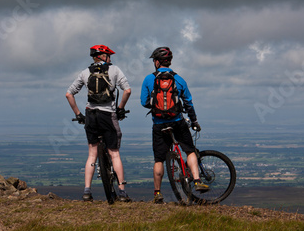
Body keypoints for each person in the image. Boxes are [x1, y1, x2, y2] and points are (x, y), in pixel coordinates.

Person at [140, 46, 208, 204]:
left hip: (159, 125)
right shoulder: (179, 79)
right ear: (169, 62)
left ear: (157, 62)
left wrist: (157, 105)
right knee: (190, 151)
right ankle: (197, 181)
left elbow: (144, 102)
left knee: (158, 160)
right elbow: (188, 103)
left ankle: (157, 193)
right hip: (178, 122)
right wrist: (194, 120)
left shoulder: (149, 79)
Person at [66, 45, 132, 202]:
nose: (111, 59)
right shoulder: (114, 70)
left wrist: (78, 114)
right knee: (114, 153)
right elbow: (127, 90)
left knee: (91, 154)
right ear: (104, 56)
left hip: (91, 114)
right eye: (109, 56)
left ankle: (87, 191)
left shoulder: (85, 72)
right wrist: (120, 108)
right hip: (108, 115)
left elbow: (69, 94)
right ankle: (122, 192)